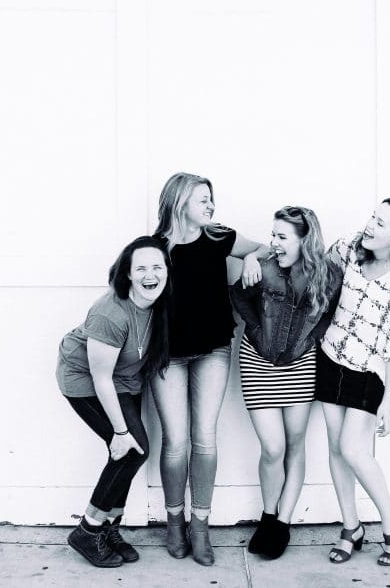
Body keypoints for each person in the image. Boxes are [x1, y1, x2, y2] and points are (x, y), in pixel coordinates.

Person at [150, 172, 268, 566]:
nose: (211, 206)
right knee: (175, 442)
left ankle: (200, 524)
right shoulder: (154, 248)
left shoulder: (221, 238)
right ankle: (174, 520)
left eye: (211, 199)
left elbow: (268, 250)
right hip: (166, 355)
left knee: (204, 438)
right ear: (180, 201)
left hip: (214, 349)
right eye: (203, 200)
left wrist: (249, 256)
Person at [316, 198, 390, 567]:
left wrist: (389, 400)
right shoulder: (350, 247)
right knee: (335, 448)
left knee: (354, 450)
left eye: (381, 223)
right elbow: (316, 268)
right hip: (330, 357)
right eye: (372, 217)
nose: (370, 225)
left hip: (369, 371)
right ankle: (351, 528)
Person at [229, 206, 343, 560]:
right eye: (273, 234)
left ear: (305, 240)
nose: (273, 242)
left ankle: (282, 523)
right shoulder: (262, 268)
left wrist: (312, 339)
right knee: (273, 448)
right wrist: (258, 331)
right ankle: (268, 512)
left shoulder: (329, 275)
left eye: (282, 237)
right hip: (258, 362)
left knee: (295, 444)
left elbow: (331, 312)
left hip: (300, 366)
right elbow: (238, 298)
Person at [56, 236, 173, 568]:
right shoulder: (110, 312)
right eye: (141, 268)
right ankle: (88, 530)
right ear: (127, 275)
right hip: (86, 381)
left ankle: (109, 528)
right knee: (131, 449)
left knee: (128, 455)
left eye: (157, 266)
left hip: (125, 380)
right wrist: (120, 433)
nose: (150, 275)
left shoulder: (161, 303)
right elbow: (101, 377)